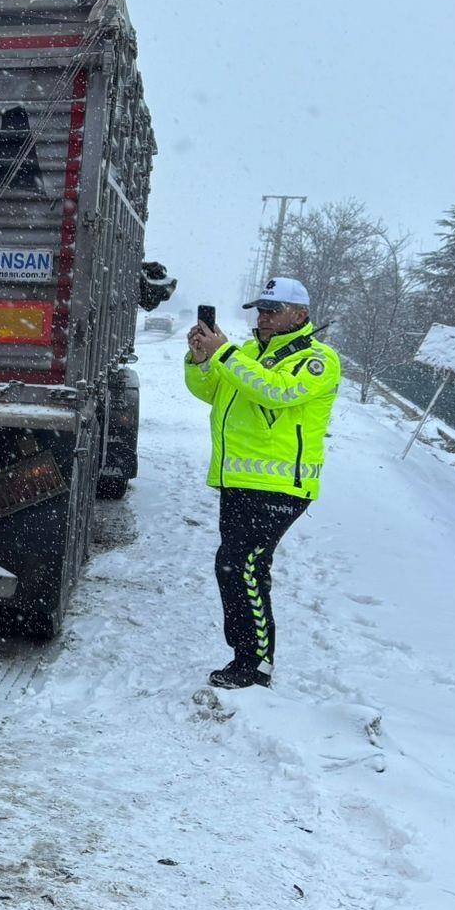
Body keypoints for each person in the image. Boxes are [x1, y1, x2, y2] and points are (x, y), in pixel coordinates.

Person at [183, 275, 340, 689]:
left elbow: (275, 392)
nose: (264, 317)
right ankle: (247, 657)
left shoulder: (316, 359)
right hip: (239, 480)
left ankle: (255, 666)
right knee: (233, 566)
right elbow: (211, 392)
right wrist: (201, 360)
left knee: (243, 566)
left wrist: (225, 353)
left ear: (300, 315)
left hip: (281, 487)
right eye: (260, 310)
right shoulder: (250, 352)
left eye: (273, 310)